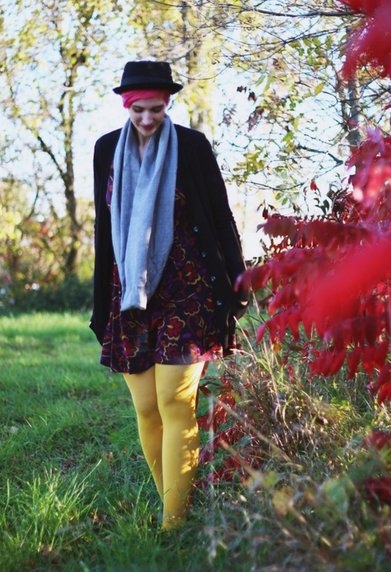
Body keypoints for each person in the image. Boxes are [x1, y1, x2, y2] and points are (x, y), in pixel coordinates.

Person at [91, 60, 248, 530]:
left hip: (189, 289)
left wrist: (238, 281)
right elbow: (105, 229)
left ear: (168, 105)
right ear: (126, 106)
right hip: (130, 294)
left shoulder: (193, 148)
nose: (147, 119)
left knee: (176, 403)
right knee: (145, 408)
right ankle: (176, 505)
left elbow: (219, 216)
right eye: (138, 110)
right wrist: (101, 300)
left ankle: (172, 525)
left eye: (156, 109)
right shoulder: (105, 152)